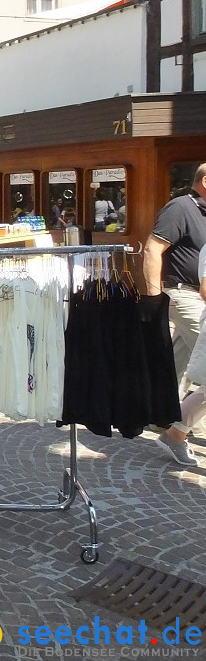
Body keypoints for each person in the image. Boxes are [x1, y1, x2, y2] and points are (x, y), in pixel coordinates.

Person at [147, 163, 206, 466]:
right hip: (183, 294)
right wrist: (155, 295)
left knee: (180, 360)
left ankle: (164, 416)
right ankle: (176, 430)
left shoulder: (203, 211)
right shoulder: (180, 208)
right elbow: (153, 248)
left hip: (196, 294)